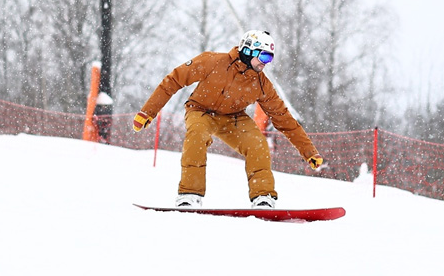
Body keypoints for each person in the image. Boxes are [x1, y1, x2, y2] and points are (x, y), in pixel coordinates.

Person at [132, 29, 324, 209]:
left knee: (258, 144)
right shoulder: (212, 62)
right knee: (197, 134)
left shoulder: (261, 83)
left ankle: (263, 197)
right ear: (248, 50)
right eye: (264, 56)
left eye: (270, 58)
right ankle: (190, 194)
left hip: (234, 119)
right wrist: (147, 112)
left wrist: (309, 152)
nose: (266, 63)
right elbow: (173, 80)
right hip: (201, 111)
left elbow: (284, 119)